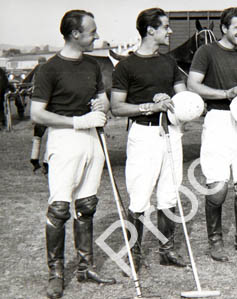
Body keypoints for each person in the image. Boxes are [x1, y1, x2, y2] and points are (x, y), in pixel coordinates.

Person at [30, 10, 116, 299]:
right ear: (75, 34)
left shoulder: (93, 65)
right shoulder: (49, 69)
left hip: (92, 139)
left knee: (87, 204)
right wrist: (78, 121)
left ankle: (85, 266)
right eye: (92, 31)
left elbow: (102, 99)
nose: (96, 36)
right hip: (65, 139)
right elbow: (37, 113)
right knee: (59, 208)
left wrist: (100, 107)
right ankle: (55, 273)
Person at [110, 8, 188, 272]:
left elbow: (183, 98)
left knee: (169, 193)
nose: (170, 31)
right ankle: (134, 255)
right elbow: (117, 108)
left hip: (171, 132)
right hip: (143, 133)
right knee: (140, 196)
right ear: (150, 30)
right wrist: (149, 106)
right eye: (165, 26)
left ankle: (167, 251)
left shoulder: (169, 62)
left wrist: (176, 103)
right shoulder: (126, 65)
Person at [187, 7, 237, 262]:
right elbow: (193, 85)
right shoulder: (206, 52)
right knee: (218, 187)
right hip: (218, 120)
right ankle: (215, 241)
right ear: (224, 28)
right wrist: (226, 94)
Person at [24, 57, 49, 173]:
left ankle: (34, 158)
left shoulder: (37, 68)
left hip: (37, 102)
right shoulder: (49, 69)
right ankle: (46, 161)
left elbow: (25, 82)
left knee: (38, 132)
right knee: (53, 130)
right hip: (49, 101)